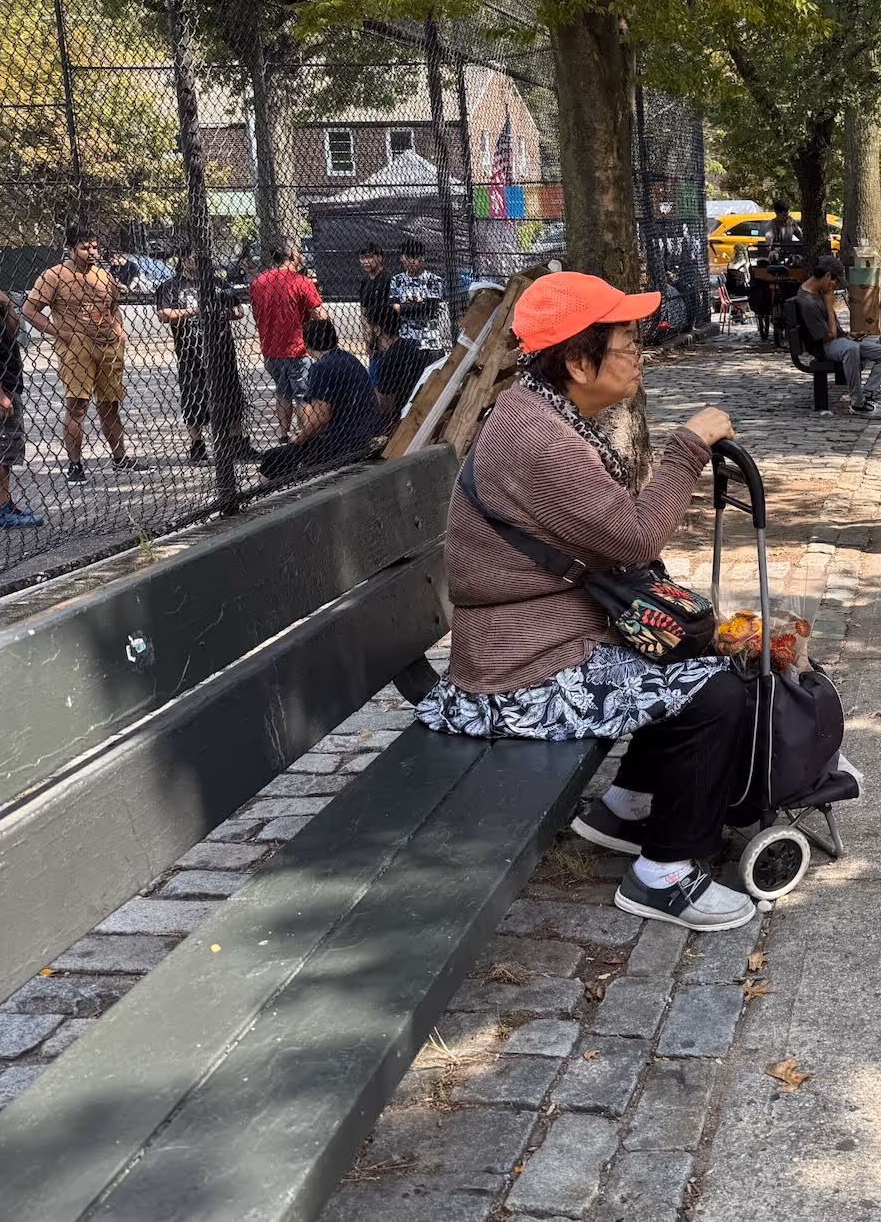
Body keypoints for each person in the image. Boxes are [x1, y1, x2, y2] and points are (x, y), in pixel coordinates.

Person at [417, 271, 758, 931]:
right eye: (628, 347)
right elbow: (634, 537)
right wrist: (688, 447)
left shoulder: (536, 410)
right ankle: (662, 877)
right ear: (578, 360)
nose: (639, 359)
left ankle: (624, 808)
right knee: (714, 692)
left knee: (685, 655)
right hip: (515, 675)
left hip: (528, 643)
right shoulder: (541, 439)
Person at [24, 224, 137, 482]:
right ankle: (75, 465)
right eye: (85, 248)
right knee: (78, 406)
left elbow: (114, 307)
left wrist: (119, 331)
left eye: (95, 247)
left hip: (107, 344)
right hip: (76, 347)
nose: (92, 252)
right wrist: (59, 333)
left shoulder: (103, 276)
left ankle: (120, 458)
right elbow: (30, 311)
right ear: (71, 249)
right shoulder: (54, 275)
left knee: (110, 404)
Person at [155, 245, 252, 464]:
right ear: (184, 258)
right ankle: (197, 446)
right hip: (191, 351)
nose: (199, 261)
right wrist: (194, 311)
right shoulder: (171, 286)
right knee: (194, 395)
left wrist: (220, 313)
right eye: (194, 257)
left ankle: (237, 443)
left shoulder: (217, 284)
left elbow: (238, 311)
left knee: (231, 394)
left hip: (221, 349)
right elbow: (164, 314)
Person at [257, 317, 380, 481]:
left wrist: (299, 439)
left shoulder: (321, 367)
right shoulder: (349, 359)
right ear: (335, 339)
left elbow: (319, 417)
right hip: (364, 432)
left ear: (307, 346)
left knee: (272, 460)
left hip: (342, 442)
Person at [0, 246, 40, 528]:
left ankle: (2, 504)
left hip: (8, 382)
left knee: (5, 451)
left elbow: (13, 333)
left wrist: (6, 303)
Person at [249, 240, 328, 441]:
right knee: (303, 394)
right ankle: (306, 436)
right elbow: (320, 314)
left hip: (270, 348)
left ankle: (284, 434)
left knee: (283, 392)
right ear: (292, 255)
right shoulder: (301, 281)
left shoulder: (258, 282)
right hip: (298, 348)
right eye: (298, 252)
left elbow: (256, 313)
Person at [798, 256, 881, 417]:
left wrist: (847, 335)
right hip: (823, 346)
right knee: (851, 349)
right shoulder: (807, 302)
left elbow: (833, 331)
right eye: (835, 282)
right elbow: (828, 336)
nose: (835, 286)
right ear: (828, 276)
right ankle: (858, 404)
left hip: (837, 340)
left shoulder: (820, 293)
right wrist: (830, 307)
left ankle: (867, 394)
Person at [366, 303, 429, 426]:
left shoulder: (387, 360)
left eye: (368, 327)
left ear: (378, 330)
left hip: (398, 420)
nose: (366, 331)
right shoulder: (411, 347)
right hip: (415, 410)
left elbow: (386, 407)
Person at [392, 237, 447, 354]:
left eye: (415, 257)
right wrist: (419, 305)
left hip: (429, 340)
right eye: (407, 257)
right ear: (402, 258)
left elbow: (430, 310)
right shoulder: (397, 280)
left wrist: (404, 307)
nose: (411, 261)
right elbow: (393, 308)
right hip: (406, 339)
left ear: (422, 258)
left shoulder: (434, 280)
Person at [357, 240, 392, 323]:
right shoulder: (364, 281)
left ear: (379, 257)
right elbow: (363, 310)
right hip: (371, 325)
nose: (365, 262)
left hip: (387, 325)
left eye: (369, 257)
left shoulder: (388, 279)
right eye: (362, 258)